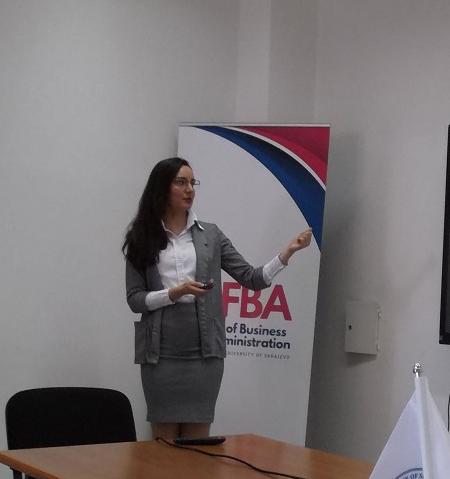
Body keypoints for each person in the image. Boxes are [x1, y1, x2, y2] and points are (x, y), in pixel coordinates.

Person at [123, 157, 312, 441]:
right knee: (163, 449)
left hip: (205, 357)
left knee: (199, 446)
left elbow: (251, 278)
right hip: (159, 357)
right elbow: (135, 300)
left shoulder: (210, 235)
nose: (190, 189)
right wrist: (175, 293)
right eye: (181, 182)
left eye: (192, 183)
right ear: (162, 188)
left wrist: (287, 253)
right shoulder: (142, 237)